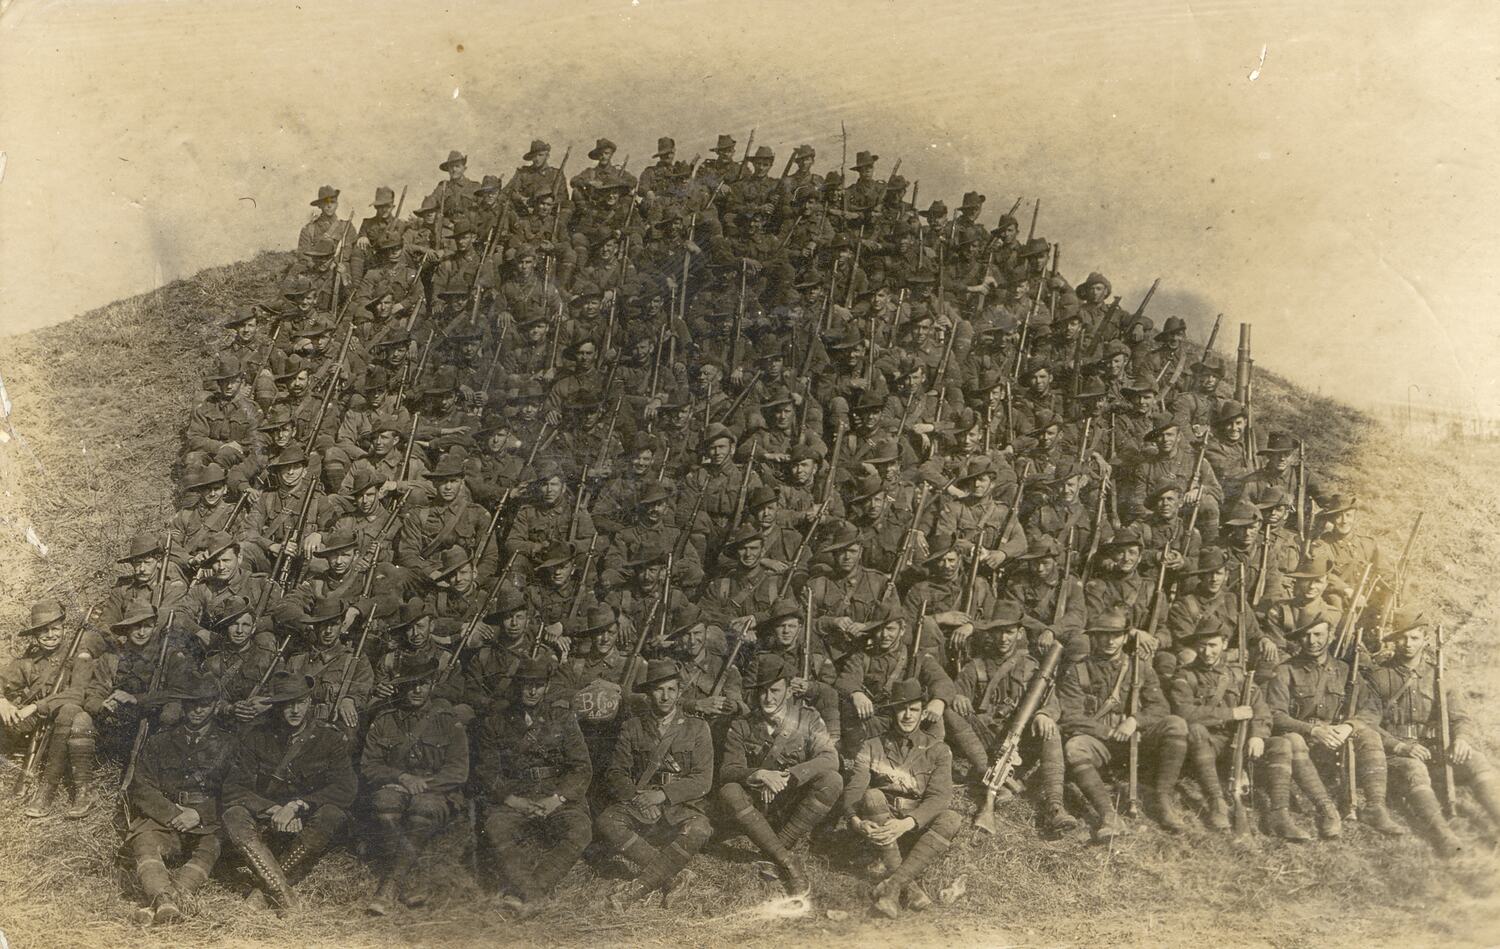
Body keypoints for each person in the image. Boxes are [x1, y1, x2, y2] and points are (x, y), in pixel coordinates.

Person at [221, 671, 357, 911]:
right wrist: (273, 809)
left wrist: (297, 806)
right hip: (269, 819)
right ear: (277, 707)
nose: (295, 711)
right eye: (287, 705)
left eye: (301, 703)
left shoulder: (329, 738)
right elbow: (233, 788)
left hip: (307, 819)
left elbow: (346, 788)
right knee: (233, 815)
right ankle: (281, 891)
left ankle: (262, 894)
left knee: (332, 814)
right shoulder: (257, 737)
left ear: (309, 703)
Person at [1367, 612, 1500, 854]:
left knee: (1477, 760)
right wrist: (1401, 747)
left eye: (1414, 638)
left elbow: (1460, 717)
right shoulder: (1379, 677)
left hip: (1434, 751)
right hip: (1398, 755)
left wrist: (1461, 739)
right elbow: (1368, 723)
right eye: (1402, 638)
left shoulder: (1439, 675)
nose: (1408, 644)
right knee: (1414, 769)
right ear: (1393, 641)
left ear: (1425, 640)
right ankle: (1443, 836)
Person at [1264, 614, 1406, 837]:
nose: (1312, 641)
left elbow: (1369, 709)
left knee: (1370, 736)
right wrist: (1312, 730)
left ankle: (1375, 808)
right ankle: (1327, 808)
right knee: (1293, 739)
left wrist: (1348, 727)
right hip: (1303, 742)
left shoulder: (1346, 670)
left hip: (1337, 741)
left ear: (1330, 636)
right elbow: (1275, 714)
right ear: (1299, 640)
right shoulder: (1285, 671)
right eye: (1306, 636)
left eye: (1318, 634)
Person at [1056, 606, 1189, 839]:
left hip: (1136, 739)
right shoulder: (1077, 670)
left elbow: (1160, 707)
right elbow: (1070, 716)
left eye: (1115, 635)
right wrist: (1108, 732)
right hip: (1101, 741)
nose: (1109, 640)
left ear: (1126, 636)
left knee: (1176, 724)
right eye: (1103, 634)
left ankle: (1163, 800)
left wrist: (1134, 722)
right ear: (1094, 637)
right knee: (1075, 747)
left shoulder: (1140, 667)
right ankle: (1108, 814)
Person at [475, 657, 593, 917]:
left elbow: (581, 768)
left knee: (581, 829)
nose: (532, 691)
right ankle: (535, 896)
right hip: (517, 796)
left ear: (547, 686)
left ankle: (529, 891)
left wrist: (557, 798)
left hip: (554, 794)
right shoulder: (496, 721)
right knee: (496, 827)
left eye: (538, 685)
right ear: (517, 686)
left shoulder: (562, 719)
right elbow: (487, 771)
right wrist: (512, 800)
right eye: (526, 684)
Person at [946, 599, 1076, 835]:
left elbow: (1052, 703)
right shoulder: (975, 666)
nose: (1003, 639)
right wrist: (958, 697)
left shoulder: (1033, 667)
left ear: (1020, 633)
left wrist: (1045, 714)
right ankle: (992, 777)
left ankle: (1055, 806)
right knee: (951, 711)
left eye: (1009, 632)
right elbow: (955, 692)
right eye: (997, 632)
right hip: (986, 741)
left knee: (1050, 729)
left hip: (1020, 742)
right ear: (989, 634)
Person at [716, 654, 840, 895]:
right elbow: (728, 770)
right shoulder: (742, 724)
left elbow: (830, 757)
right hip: (757, 807)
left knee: (832, 781)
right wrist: (759, 774)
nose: (768, 698)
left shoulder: (808, 718)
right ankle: (786, 860)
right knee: (729, 790)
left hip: (792, 803)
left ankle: (777, 845)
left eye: (775, 690)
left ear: (788, 690)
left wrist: (789, 776)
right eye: (762, 691)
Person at [598, 660, 714, 910]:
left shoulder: (697, 728)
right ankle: (675, 875)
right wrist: (637, 798)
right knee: (607, 821)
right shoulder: (632, 727)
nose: (665, 696)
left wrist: (661, 796)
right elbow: (616, 772)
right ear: (649, 693)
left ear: (679, 692)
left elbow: (703, 780)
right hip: (641, 802)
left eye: (671, 689)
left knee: (700, 829)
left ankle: (640, 886)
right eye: (659, 690)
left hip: (680, 805)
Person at [121, 670, 234, 925]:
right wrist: (172, 813)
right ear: (183, 706)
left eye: (204, 705)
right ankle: (165, 902)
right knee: (144, 839)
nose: (197, 711)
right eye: (192, 704)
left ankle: (165, 900)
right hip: (166, 818)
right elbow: (140, 786)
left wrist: (200, 813)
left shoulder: (230, 745)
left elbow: (235, 792)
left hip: (206, 822)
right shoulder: (160, 742)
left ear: (215, 707)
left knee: (210, 846)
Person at [841, 677, 960, 919]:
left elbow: (939, 797)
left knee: (951, 819)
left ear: (921, 712)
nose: (908, 716)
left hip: (914, 824)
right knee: (873, 796)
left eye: (914, 709)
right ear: (892, 712)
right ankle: (910, 889)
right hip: (882, 820)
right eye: (901, 709)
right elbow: (855, 788)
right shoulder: (872, 746)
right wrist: (856, 821)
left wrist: (907, 823)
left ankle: (892, 887)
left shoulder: (937, 749)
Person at [360, 656, 469, 914]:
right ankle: (411, 879)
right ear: (400, 686)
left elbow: (458, 770)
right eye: (411, 684)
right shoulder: (385, 719)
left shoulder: (447, 719)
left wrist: (422, 784)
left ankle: (389, 886)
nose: (417, 690)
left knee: (424, 808)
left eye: (423, 684)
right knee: (384, 804)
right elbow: (369, 765)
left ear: (432, 684)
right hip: (395, 788)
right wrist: (401, 778)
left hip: (436, 792)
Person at [1165, 616, 1269, 833]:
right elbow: (1184, 711)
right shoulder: (1185, 674)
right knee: (1195, 728)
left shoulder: (1238, 675)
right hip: (1204, 744)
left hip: (1235, 744)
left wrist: (1257, 734)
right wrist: (1231, 713)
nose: (1206, 652)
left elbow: (1259, 706)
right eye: (1201, 646)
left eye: (1213, 645)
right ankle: (1216, 801)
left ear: (1224, 644)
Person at [2, 600, 99, 819]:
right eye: (42, 631)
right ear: (35, 635)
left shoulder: (79, 654)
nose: (50, 635)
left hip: (69, 719)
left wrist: (36, 707)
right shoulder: (29, 660)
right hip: (37, 722)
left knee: (71, 709)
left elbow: (78, 693)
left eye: (55, 628)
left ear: (64, 628)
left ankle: (48, 788)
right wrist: (2, 701)